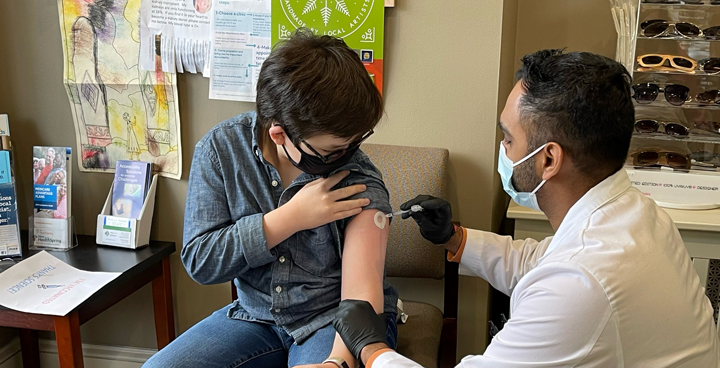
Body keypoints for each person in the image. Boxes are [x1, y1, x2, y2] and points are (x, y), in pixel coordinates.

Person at [332, 49, 720, 367]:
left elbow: (569, 279)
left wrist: (372, 349)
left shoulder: (582, 285)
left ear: (548, 159)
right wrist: (455, 239)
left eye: (507, 139)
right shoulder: (636, 214)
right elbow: (544, 261)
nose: (502, 151)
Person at [143, 29, 398, 368]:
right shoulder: (221, 151)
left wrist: (335, 363)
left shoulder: (359, 180)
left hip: (333, 321)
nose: (347, 156)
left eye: (352, 144)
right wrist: (290, 218)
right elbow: (201, 262)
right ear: (279, 133)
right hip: (253, 317)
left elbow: (360, 298)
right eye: (331, 150)